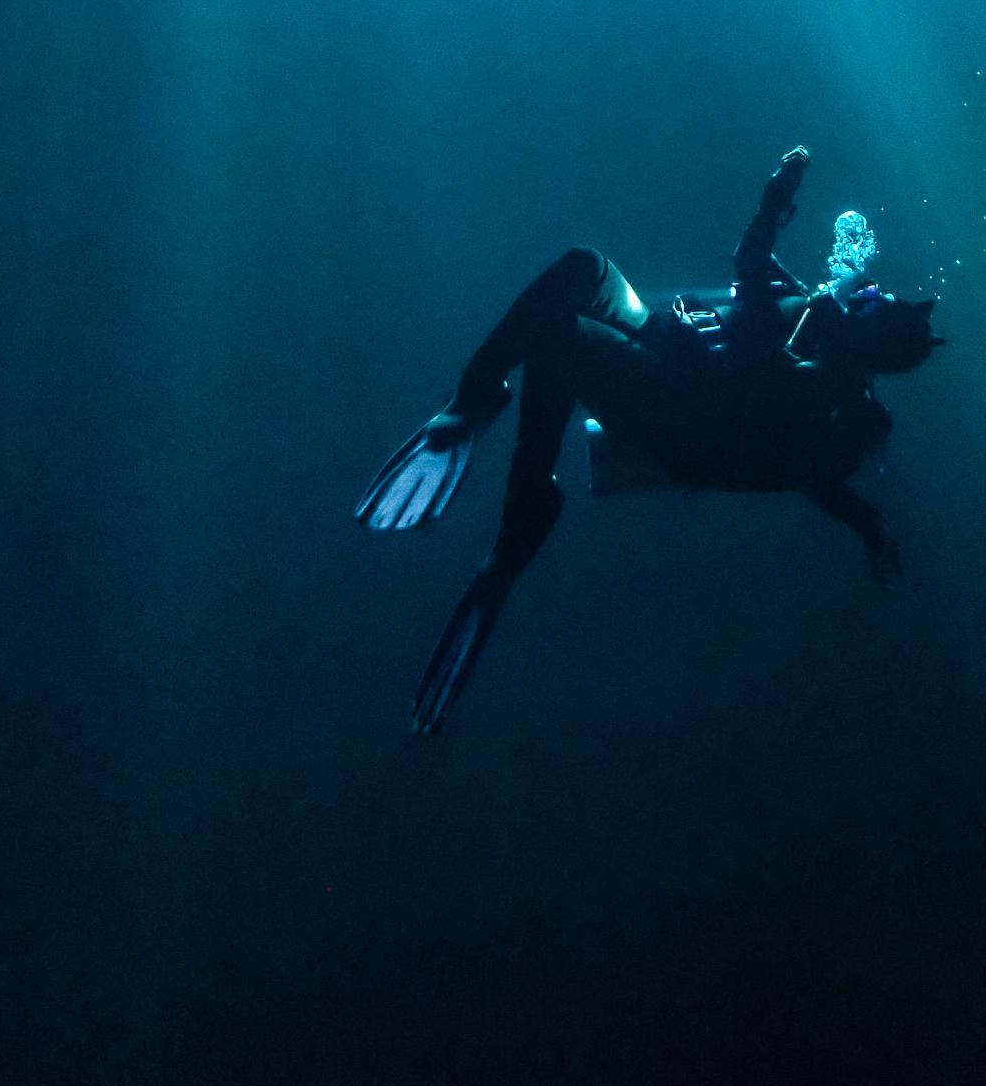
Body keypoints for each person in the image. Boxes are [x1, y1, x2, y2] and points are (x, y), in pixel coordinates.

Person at [355, 148, 943, 734]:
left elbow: (789, 447)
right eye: (868, 292)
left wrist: (869, 523)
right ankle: (474, 396)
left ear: (876, 344)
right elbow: (750, 261)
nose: (859, 293)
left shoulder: (833, 393)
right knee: (583, 265)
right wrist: (775, 198)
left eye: (870, 305)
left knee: (560, 337)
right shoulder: (817, 313)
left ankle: (522, 523)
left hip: (672, 409)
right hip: (661, 338)